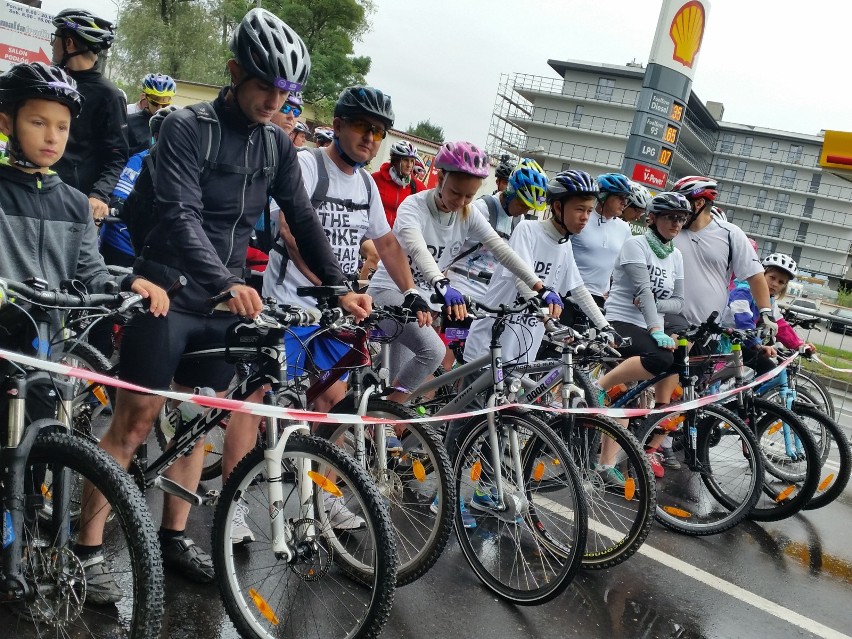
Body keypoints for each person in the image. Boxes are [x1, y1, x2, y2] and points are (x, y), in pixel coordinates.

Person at [76, 8, 370, 590]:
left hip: (220, 301)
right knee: (135, 423)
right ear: (235, 72)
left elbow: (303, 218)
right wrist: (226, 283)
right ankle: (85, 552)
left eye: (285, 92)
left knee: (198, 419)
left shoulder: (277, 145)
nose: (273, 101)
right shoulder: (187, 126)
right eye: (264, 85)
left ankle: (173, 535)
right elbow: (179, 214)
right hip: (167, 291)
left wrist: (340, 286)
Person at [0, 62, 169, 603]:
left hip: (45, 353)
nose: (52, 137)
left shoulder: (74, 203)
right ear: (7, 123)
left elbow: (91, 270)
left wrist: (132, 284)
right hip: (3, 349)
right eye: (37, 123)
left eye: (62, 127)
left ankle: (24, 544)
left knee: (37, 455)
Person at [368, 141, 560, 403]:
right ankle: (386, 415)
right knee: (432, 351)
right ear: (441, 176)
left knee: (399, 375)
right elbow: (419, 250)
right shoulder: (414, 206)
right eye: (456, 193)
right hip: (391, 291)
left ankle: (377, 414)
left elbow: (503, 251)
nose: (460, 202)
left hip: (422, 303)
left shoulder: (468, 213)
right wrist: (442, 284)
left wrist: (540, 287)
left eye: (469, 196)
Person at [591, 193, 688, 480]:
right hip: (619, 321)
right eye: (671, 217)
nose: (677, 223)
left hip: (647, 324)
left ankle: (606, 465)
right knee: (660, 357)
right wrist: (656, 328)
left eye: (681, 218)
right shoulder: (636, 245)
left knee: (629, 396)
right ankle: (598, 386)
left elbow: (679, 301)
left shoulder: (677, 255)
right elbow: (643, 291)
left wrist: (657, 309)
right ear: (652, 218)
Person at [670, 175, 776, 337]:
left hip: (706, 331)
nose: (676, 208)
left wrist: (766, 313)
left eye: (682, 202)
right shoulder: (670, 230)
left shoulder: (730, 233)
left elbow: (755, 275)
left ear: (698, 203)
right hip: (667, 322)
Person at [50, 8, 128, 223]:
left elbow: (116, 156)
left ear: (69, 43)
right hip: (36, 193)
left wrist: (98, 195)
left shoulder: (109, 96)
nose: (52, 44)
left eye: (55, 38)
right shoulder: (49, 83)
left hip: (75, 205)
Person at [446, 158, 547, 304]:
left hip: (491, 296)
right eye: (522, 204)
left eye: (529, 207)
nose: (524, 210)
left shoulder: (520, 220)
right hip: (461, 288)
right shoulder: (482, 208)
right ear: (511, 191)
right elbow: (449, 248)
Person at [100, 105, 180, 267]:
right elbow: (118, 201)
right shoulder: (141, 160)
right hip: (123, 245)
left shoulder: (188, 166)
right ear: (156, 137)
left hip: (160, 250)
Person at [723, 253, 815, 376]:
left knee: (768, 370)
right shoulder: (743, 291)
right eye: (772, 277)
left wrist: (799, 345)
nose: (775, 284)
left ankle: (753, 396)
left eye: (781, 282)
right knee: (711, 385)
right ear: (761, 274)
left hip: (737, 343)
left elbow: (780, 325)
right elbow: (743, 319)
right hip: (721, 341)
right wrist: (757, 345)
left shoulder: (770, 301)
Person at [570, 172, 633, 305]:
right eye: (620, 196)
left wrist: (614, 291)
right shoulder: (582, 218)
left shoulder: (624, 228)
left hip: (600, 299)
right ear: (603, 196)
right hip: (570, 293)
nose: (625, 202)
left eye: (626, 197)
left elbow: (625, 267)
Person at [372, 139, 423, 228]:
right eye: (405, 160)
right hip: (375, 236)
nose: (409, 165)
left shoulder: (417, 186)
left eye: (412, 161)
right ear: (395, 161)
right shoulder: (376, 179)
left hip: (399, 238)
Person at [126, 73, 176, 156]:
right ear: (146, 97)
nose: (159, 108)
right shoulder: (129, 122)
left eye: (164, 104)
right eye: (155, 103)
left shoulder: (174, 125)